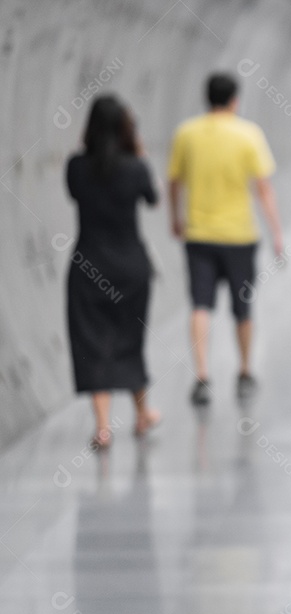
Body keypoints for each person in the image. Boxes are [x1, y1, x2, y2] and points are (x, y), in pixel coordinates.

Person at [168, 72, 283, 405]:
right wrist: (277, 232)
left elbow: (174, 182)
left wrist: (176, 219)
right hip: (239, 237)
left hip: (199, 235)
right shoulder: (248, 135)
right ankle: (245, 370)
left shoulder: (186, 133)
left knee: (200, 305)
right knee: (242, 307)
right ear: (235, 100)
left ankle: (202, 376)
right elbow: (263, 188)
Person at [65, 94, 162, 449]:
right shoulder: (135, 167)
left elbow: (76, 194)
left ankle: (103, 428)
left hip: (88, 264)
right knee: (130, 338)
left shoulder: (76, 166)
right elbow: (153, 199)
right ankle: (142, 414)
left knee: (92, 342)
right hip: (130, 267)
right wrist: (136, 150)